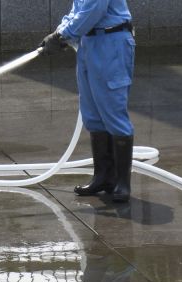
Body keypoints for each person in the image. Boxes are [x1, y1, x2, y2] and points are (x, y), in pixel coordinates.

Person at [40, 1, 136, 202]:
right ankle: (102, 178)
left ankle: (122, 183)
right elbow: (78, 10)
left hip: (111, 42)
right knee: (92, 112)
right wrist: (60, 32)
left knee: (112, 109)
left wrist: (61, 36)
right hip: (90, 43)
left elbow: (94, 10)